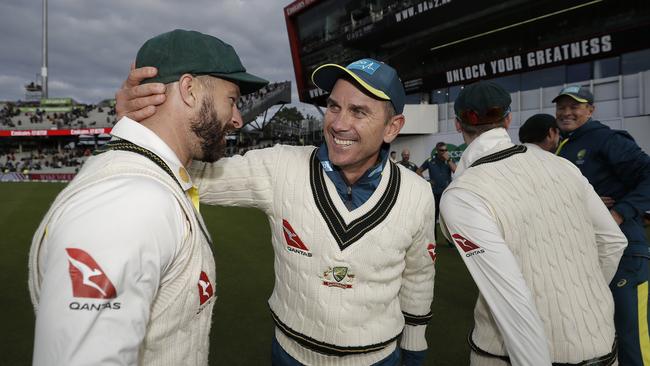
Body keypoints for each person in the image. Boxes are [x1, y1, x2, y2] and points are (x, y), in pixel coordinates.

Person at [117, 58, 436, 365]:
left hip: (379, 359)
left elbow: (419, 275)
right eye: (334, 106)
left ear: (392, 127)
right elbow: (192, 175)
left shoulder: (417, 193)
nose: (338, 124)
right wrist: (141, 127)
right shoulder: (280, 166)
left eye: (358, 111)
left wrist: (415, 345)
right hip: (291, 355)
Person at [28, 29, 268, 365]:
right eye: (232, 99)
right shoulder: (128, 204)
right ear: (189, 90)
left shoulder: (146, 178)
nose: (238, 119)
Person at [439, 80, 627, 365]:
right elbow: (613, 241)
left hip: (511, 356)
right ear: (509, 119)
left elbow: (510, 301)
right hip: (601, 344)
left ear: (457, 124)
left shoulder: (464, 194)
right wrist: (578, 303)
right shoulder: (563, 166)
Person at [553, 85, 650, 366]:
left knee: (631, 339)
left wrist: (619, 212)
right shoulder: (567, 144)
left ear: (590, 110)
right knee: (603, 335)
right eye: (562, 107)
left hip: (625, 252)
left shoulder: (605, 139)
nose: (566, 112)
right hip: (591, 253)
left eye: (575, 106)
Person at [417, 142, 456, 246]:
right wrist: (426, 182)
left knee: (447, 217)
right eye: (442, 150)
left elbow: (456, 171)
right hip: (433, 193)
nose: (444, 152)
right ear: (437, 151)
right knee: (432, 218)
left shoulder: (449, 160)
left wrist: (448, 159)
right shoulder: (430, 161)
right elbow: (418, 171)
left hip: (446, 194)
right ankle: (433, 239)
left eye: (445, 150)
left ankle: (450, 240)